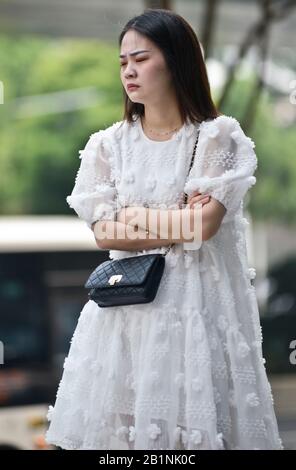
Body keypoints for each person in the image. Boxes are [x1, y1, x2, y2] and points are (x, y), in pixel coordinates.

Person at [45, 9, 283, 450]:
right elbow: (104, 234)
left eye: (141, 58)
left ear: (175, 61)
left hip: (198, 313)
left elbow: (204, 227)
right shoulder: (107, 145)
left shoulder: (216, 137)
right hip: (126, 316)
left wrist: (134, 217)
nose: (129, 71)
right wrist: (177, 220)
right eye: (123, 62)